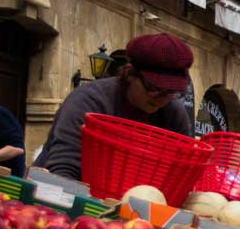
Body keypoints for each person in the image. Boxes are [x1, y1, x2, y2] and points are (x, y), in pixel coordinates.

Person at [34, 33, 195, 180]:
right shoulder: (89, 101)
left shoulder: (173, 113)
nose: (162, 100)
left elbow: (180, 173)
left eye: (172, 92)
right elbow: (63, 169)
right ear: (130, 74)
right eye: (154, 89)